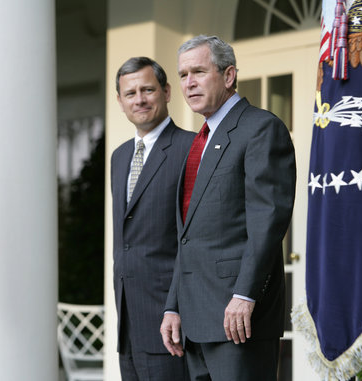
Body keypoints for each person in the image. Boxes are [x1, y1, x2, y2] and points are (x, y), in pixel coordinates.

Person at [160, 35, 296, 381]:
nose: (189, 83)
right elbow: (189, 237)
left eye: (199, 72)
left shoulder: (261, 128)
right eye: (183, 75)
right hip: (195, 320)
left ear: (229, 75)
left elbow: (267, 222)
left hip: (239, 319)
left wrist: (244, 294)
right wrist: (174, 305)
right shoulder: (200, 141)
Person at [111, 56, 195, 380]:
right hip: (128, 322)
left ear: (167, 92)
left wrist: (174, 306)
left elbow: (191, 239)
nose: (139, 99)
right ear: (119, 101)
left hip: (170, 322)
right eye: (130, 93)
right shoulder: (119, 158)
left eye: (148, 89)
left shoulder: (191, 149)